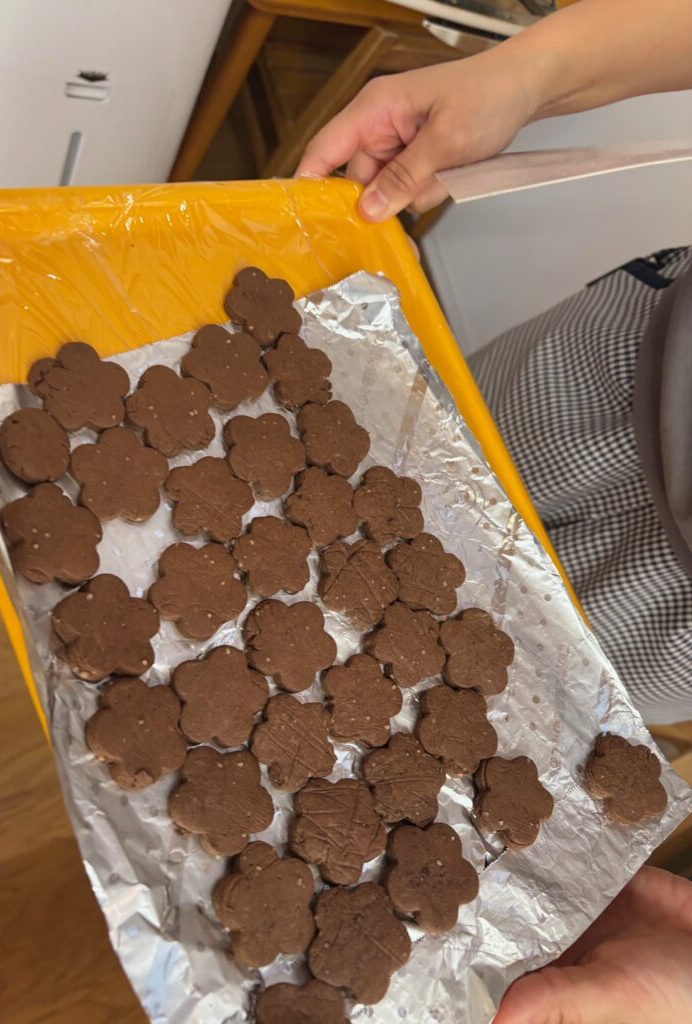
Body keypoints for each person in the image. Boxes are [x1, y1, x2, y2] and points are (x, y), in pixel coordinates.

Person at [296, 1, 692, 1021]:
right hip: (612, 370)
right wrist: (534, 70)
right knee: (354, 526)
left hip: (672, 626)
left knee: (472, 738)